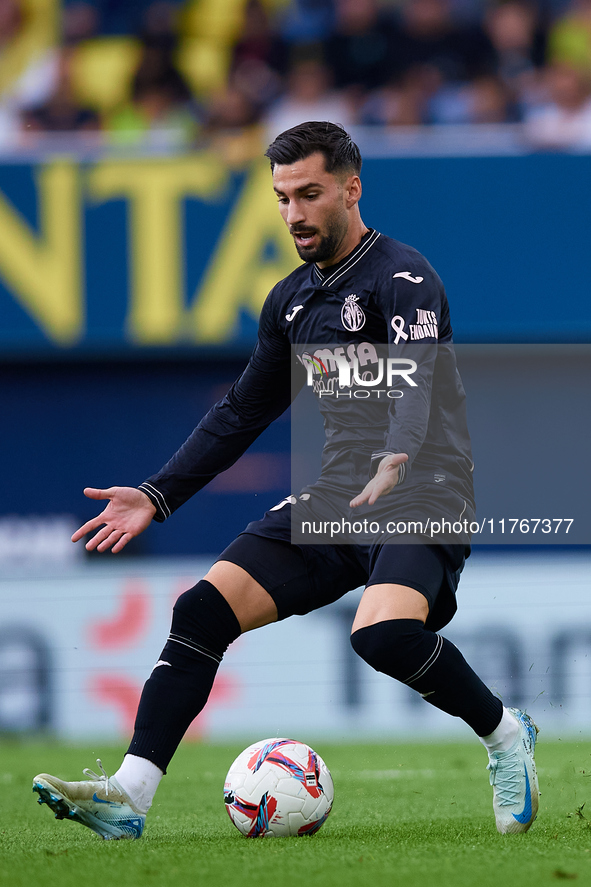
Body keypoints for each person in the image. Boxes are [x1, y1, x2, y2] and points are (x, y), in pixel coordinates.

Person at [32, 121, 538, 840]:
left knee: (385, 634)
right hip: (337, 497)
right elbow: (242, 409)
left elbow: (418, 382)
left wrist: (396, 450)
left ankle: (502, 733)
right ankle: (129, 795)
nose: (293, 212)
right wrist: (156, 492)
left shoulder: (404, 276)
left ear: (350, 188)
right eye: (280, 197)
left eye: (309, 193)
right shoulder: (290, 301)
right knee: (201, 610)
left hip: (422, 487)